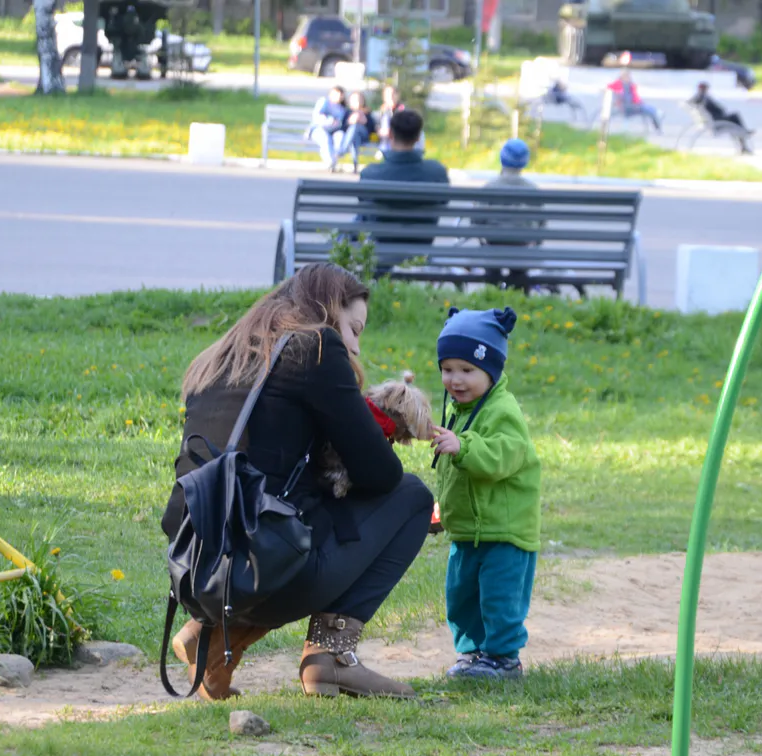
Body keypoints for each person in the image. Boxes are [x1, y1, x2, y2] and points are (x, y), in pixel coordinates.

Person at [161, 263, 434, 700]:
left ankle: (209, 636)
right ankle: (331, 658)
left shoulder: (219, 357)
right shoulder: (316, 347)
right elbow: (380, 474)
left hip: (196, 571)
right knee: (413, 497)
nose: (356, 347)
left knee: (287, 509)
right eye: (354, 328)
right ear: (328, 311)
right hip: (267, 571)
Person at [432, 307, 541, 679]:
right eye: (448, 369)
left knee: (499, 598)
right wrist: (441, 508)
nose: (455, 380)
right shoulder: (460, 410)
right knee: (461, 597)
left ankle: (503, 658)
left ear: (491, 370)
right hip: (467, 530)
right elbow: (452, 473)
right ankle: (471, 653)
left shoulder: (503, 410)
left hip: (504, 531)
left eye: (467, 370)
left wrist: (462, 448)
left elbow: (502, 458)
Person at [359, 109, 449, 250]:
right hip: (421, 247)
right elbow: (444, 202)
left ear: (390, 134)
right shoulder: (437, 172)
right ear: (418, 137)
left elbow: (364, 205)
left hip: (382, 247)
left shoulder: (370, 173)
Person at [473, 139, 546, 290]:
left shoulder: (489, 187)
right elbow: (541, 224)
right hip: (522, 247)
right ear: (525, 161)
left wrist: (482, 241)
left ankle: (492, 290)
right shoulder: (533, 189)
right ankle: (519, 292)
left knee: (491, 260)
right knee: (520, 263)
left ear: (502, 158)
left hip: (493, 245)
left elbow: (476, 221)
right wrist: (535, 243)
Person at [690, 81, 753, 154]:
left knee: (735, 123)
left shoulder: (700, 97)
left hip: (716, 119)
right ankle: (744, 134)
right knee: (735, 117)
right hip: (717, 120)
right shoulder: (702, 98)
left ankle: (743, 141)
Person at [608, 68, 662, 133]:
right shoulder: (618, 84)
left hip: (634, 106)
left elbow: (635, 97)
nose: (627, 78)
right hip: (626, 107)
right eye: (626, 76)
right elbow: (608, 87)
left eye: (628, 76)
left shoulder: (631, 85)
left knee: (647, 109)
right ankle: (657, 114)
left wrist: (638, 102)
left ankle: (656, 116)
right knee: (648, 110)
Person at [307, 86, 347, 171]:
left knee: (340, 137)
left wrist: (336, 124)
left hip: (334, 130)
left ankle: (334, 160)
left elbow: (340, 123)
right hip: (319, 129)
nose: (338, 97)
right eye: (336, 94)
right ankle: (330, 162)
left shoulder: (342, 109)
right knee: (325, 139)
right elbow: (317, 117)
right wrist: (329, 120)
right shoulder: (323, 102)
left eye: (340, 95)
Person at [341, 91, 377, 174]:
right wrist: (349, 122)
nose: (357, 101)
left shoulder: (367, 112)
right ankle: (355, 164)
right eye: (355, 99)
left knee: (356, 127)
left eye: (359, 99)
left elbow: (372, 129)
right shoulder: (348, 112)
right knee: (354, 137)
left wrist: (364, 122)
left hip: (364, 136)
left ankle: (343, 150)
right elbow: (342, 128)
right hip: (352, 137)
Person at [376, 84, 405, 156]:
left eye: (393, 94)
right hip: (384, 136)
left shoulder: (402, 109)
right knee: (385, 118)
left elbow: (404, 125)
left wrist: (391, 130)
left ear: (397, 95)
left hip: (398, 136)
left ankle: (384, 149)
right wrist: (379, 130)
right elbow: (377, 124)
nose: (391, 97)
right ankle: (384, 148)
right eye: (388, 95)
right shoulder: (382, 110)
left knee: (387, 118)